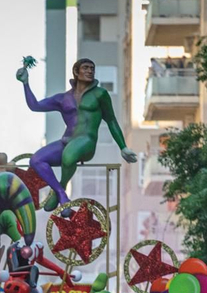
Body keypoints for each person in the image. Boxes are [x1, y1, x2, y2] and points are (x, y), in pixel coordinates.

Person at [16, 57, 138, 209]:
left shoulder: (100, 94)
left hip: (87, 142)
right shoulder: (63, 98)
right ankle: (60, 192)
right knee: (36, 160)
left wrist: (123, 147)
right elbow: (35, 106)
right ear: (76, 71)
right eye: (86, 68)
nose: (90, 71)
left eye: (92, 68)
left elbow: (111, 120)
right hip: (66, 141)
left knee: (69, 155)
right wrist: (25, 83)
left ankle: (61, 188)